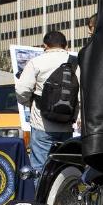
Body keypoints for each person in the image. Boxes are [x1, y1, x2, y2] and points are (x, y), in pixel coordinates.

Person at [15, 31, 78, 177]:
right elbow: (81, 94)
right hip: (67, 124)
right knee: (65, 167)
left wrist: (28, 103)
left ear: (45, 45)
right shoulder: (76, 62)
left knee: (39, 168)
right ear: (66, 45)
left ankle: (40, 199)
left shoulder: (37, 62)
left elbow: (22, 89)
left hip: (42, 123)